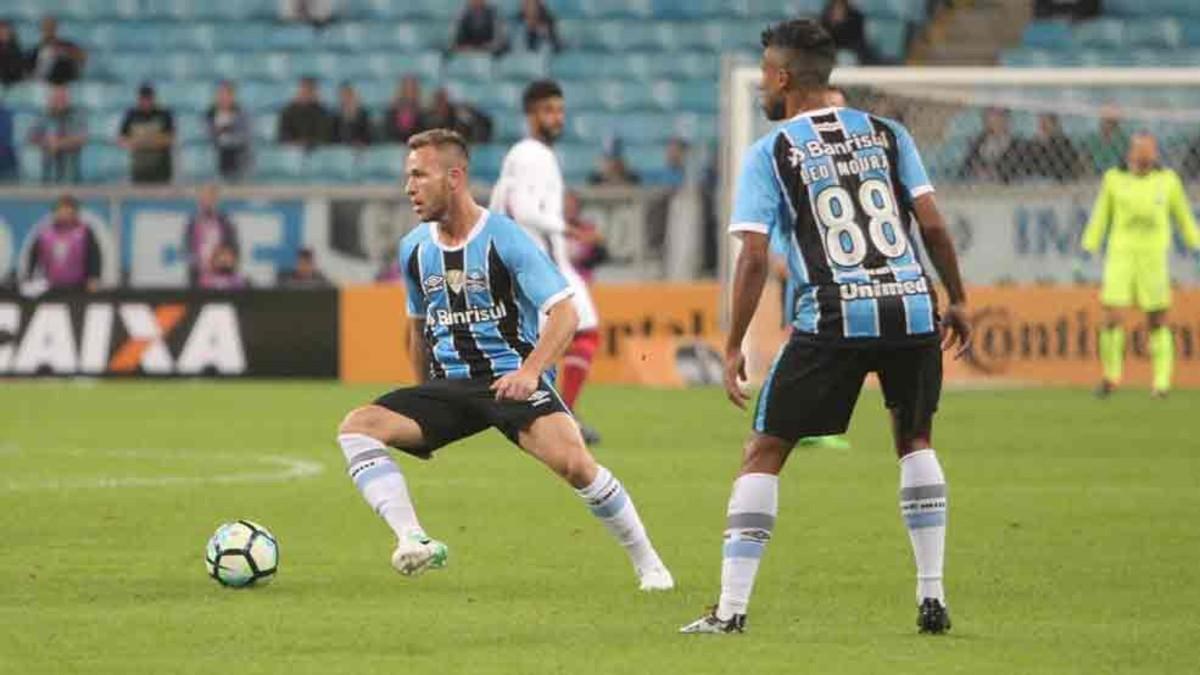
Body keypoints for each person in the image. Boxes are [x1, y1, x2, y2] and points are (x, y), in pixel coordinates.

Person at [679, 19, 970, 636]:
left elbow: (754, 255)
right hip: (912, 304)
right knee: (915, 440)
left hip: (835, 312)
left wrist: (732, 343)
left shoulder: (774, 150)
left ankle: (730, 611)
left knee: (764, 450)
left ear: (783, 79)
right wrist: (959, 297)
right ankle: (932, 598)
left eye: (764, 75)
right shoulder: (889, 134)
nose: (760, 86)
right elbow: (933, 224)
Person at [335, 128, 673, 590]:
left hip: (511, 379)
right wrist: (423, 397)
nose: (408, 187)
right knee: (357, 428)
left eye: (419, 175)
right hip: (452, 387)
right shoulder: (414, 247)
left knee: (576, 465)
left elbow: (565, 314)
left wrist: (531, 372)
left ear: (454, 178)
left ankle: (649, 563)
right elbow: (417, 327)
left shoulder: (505, 238)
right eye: (407, 176)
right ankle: (413, 538)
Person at [490, 80, 605, 445]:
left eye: (560, 110)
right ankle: (551, 415)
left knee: (574, 335)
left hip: (543, 261)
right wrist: (568, 228)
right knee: (566, 337)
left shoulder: (524, 154)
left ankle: (554, 413)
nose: (557, 118)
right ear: (530, 115)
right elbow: (523, 209)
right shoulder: (532, 154)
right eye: (548, 110)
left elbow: (499, 204)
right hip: (540, 264)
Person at [1082, 133, 1200, 399]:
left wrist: (1196, 243)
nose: (1145, 154)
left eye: (1149, 149)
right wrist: (1088, 246)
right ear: (1131, 152)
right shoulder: (1114, 179)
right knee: (1112, 316)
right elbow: (1102, 215)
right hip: (1121, 255)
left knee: (1157, 319)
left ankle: (1161, 383)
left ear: (1156, 152)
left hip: (1153, 257)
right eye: (1140, 149)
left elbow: (1184, 217)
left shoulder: (1168, 181)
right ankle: (1110, 377)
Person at [23, 195, 101, 292]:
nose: (64, 214)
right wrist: (29, 276)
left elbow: (94, 256)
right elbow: (33, 256)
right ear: (55, 212)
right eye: (61, 210)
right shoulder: (44, 234)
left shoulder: (85, 232)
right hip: (50, 286)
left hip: (79, 286)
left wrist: (94, 277)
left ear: (75, 213)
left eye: (68, 211)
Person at [184, 184, 239, 288]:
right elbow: (187, 250)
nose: (206, 201)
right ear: (199, 200)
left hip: (222, 278)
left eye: (210, 197)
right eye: (203, 197)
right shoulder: (192, 224)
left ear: (215, 199)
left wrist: (223, 263)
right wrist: (196, 264)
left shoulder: (225, 223)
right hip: (199, 278)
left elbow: (233, 250)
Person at [118, 83, 175, 184]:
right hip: (139, 168)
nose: (146, 103)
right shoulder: (131, 115)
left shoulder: (164, 114)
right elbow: (121, 140)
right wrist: (148, 141)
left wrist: (145, 142)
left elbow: (170, 138)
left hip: (161, 168)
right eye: (143, 99)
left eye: (148, 99)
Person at [29, 84, 87, 184]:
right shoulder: (43, 115)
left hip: (71, 172)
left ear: (68, 99)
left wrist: (58, 143)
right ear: (50, 100)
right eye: (56, 98)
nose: (60, 101)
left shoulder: (78, 115)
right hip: (48, 171)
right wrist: (47, 141)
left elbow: (81, 138)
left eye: (63, 98)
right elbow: (32, 136)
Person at [206, 81, 252, 182]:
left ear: (232, 97)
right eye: (221, 94)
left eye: (227, 94)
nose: (223, 98)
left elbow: (244, 136)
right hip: (217, 155)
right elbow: (208, 136)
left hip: (237, 156)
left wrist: (226, 137)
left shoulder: (241, 114)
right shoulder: (209, 114)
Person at [961, 107, 1021, 183]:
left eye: (1001, 115)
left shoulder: (1018, 145)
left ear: (1008, 120)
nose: (997, 120)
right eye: (992, 114)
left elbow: (1016, 172)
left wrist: (993, 173)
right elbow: (966, 167)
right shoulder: (976, 142)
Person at [27, 16, 86, 85]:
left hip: (64, 84)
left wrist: (64, 53)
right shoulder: (34, 51)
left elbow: (82, 57)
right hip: (41, 85)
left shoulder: (67, 46)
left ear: (56, 28)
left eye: (51, 27)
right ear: (41, 29)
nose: (48, 30)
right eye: (46, 27)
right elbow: (29, 72)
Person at [564, 191, 607, 285]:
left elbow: (601, 254)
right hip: (558, 282)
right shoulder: (550, 231)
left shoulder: (588, 228)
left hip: (583, 280)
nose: (569, 209)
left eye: (572, 206)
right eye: (566, 206)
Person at [278, 77, 332, 148]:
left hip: (316, 152)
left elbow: (324, 138)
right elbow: (283, 138)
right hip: (292, 152)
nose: (306, 93)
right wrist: (298, 144)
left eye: (309, 90)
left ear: (314, 92)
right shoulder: (287, 112)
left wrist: (308, 143)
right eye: (303, 89)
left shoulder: (323, 112)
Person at [1026, 112, 1081, 182]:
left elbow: (1070, 170)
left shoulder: (1063, 144)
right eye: (1040, 121)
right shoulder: (1032, 144)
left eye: (1046, 121)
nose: (1042, 124)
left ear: (1054, 123)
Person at [1079, 105, 1128, 175]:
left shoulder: (1123, 141)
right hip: (1094, 175)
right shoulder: (1091, 139)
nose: (1107, 125)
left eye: (1111, 122)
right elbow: (1083, 160)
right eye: (1105, 121)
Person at [383, 75, 427, 143]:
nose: (409, 92)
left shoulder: (423, 113)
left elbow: (424, 134)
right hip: (395, 146)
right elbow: (388, 132)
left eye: (412, 89)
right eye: (407, 88)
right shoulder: (391, 112)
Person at [0, 20, 26, 87]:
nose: (3, 33)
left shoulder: (16, 49)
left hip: (12, 84)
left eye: (5, 31)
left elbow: (18, 70)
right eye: (1, 31)